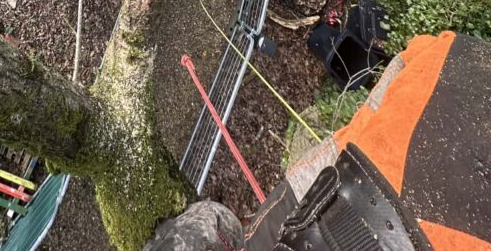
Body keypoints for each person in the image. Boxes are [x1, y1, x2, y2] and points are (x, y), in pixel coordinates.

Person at [143, 31, 491, 251]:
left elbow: (215, 223)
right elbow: (214, 222)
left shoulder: (452, 54)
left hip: (324, 191)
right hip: (327, 195)